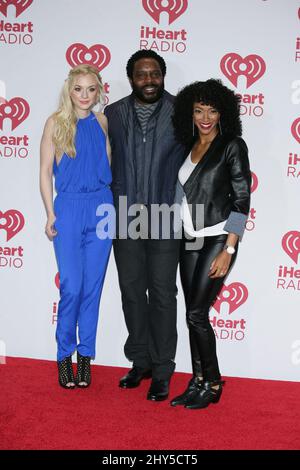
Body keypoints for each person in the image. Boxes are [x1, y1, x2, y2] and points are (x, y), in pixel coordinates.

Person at [105, 50, 185, 401]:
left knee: (164, 295)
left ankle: (163, 369)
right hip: (124, 215)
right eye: (141, 74)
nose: (149, 79)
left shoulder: (182, 111)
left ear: (163, 76)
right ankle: (141, 361)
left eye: (154, 73)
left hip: (165, 214)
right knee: (132, 292)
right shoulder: (113, 113)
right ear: (131, 78)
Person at [171, 79, 251, 409]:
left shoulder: (232, 145)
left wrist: (229, 248)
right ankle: (198, 379)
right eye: (199, 110)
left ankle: (213, 383)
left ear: (223, 113)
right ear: (190, 112)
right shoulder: (187, 144)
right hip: (188, 238)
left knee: (196, 313)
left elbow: (242, 199)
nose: (205, 117)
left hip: (218, 237)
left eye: (213, 110)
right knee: (193, 315)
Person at [40, 64, 113, 389]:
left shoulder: (102, 121)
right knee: (71, 286)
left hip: (102, 208)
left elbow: (106, 162)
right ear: (69, 91)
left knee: (92, 290)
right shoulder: (55, 123)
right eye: (78, 89)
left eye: (91, 89)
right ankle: (63, 356)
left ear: (98, 92)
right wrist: (50, 213)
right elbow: (44, 172)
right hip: (68, 208)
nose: (84, 95)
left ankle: (85, 358)